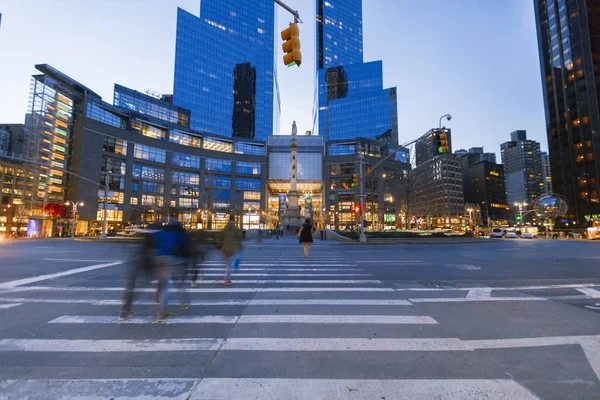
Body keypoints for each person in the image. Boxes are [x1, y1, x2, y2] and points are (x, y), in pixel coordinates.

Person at [119, 222, 161, 321]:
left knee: (131, 287)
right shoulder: (158, 235)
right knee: (150, 285)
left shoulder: (145, 234)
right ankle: (161, 309)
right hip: (150, 262)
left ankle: (124, 311)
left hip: (137, 260)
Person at [153, 221, 192, 322]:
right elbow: (180, 246)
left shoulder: (159, 233)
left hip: (158, 258)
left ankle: (160, 310)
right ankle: (184, 302)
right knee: (177, 283)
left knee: (163, 284)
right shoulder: (175, 235)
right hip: (171, 259)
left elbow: (153, 245)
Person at [219, 216, 243, 286]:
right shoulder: (235, 229)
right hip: (232, 248)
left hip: (225, 248)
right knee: (229, 265)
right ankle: (226, 279)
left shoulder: (225, 228)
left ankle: (228, 279)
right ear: (233, 221)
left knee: (227, 264)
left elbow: (221, 236)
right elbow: (239, 238)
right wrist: (240, 247)